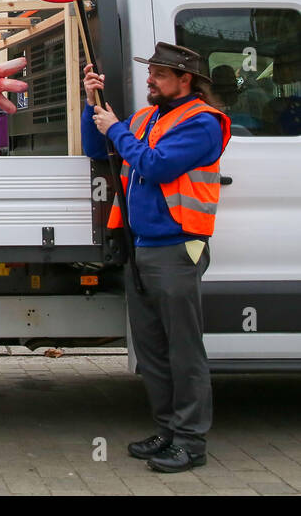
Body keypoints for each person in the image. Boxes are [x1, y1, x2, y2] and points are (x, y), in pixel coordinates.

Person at [82, 43, 230, 473]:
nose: (151, 80)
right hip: (143, 246)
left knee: (183, 352)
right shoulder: (149, 117)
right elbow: (100, 148)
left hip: (177, 248)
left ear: (187, 80)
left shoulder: (202, 122)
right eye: (152, 73)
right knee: (153, 351)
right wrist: (92, 101)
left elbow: (157, 165)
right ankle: (168, 430)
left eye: (160, 75)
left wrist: (115, 129)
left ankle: (191, 442)